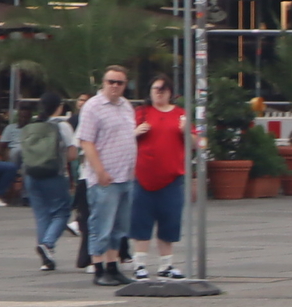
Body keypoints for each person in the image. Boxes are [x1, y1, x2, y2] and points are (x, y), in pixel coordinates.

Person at [75, 64, 137, 286]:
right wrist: (99, 170)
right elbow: (86, 141)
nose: (115, 86)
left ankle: (113, 266)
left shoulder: (126, 106)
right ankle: (98, 267)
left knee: (119, 228)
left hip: (125, 177)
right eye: (111, 82)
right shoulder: (93, 107)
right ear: (103, 83)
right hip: (104, 178)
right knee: (100, 225)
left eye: (119, 83)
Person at [127, 75, 189, 280]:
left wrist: (186, 131)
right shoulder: (141, 113)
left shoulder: (181, 114)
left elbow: (196, 142)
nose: (159, 92)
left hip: (172, 179)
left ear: (170, 92)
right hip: (144, 177)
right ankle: (140, 264)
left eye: (163, 89)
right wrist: (135, 132)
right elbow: (124, 138)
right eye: (155, 89)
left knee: (169, 223)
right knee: (141, 222)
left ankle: (166, 264)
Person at [19, 96, 71, 273]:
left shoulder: (32, 125)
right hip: (54, 174)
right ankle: (47, 244)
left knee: (42, 215)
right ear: (59, 107)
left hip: (31, 174)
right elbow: (71, 154)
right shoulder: (62, 126)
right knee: (62, 212)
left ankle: (46, 260)